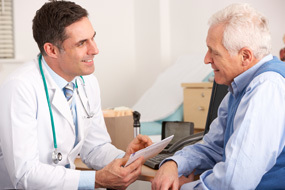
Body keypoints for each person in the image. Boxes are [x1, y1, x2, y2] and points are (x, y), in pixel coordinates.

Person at [0, 1, 152, 190]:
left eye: (93, 38)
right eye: (82, 43)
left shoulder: (87, 82)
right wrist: (96, 180)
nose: (95, 50)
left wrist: (124, 159)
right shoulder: (20, 87)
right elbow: (25, 174)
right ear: (52, 50)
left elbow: (95, 148)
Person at [152, 3, 285, 190]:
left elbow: (235, 183)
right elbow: (213, 148)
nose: (206, 59)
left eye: (214, 52)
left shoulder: (266, 88)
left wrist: (184, 188)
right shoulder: (237, 88)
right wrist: (173, 163)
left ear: (245, 56)